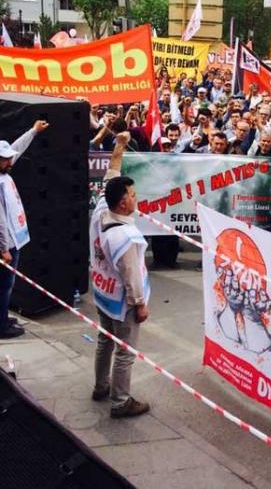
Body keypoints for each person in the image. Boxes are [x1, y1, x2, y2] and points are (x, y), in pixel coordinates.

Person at [90, 132, 151, 418]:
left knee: (104, 341)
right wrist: (139, 303)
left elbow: (112, 171)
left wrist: (120, 146)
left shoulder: (101, 207)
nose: (136, 199)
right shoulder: (126, 236)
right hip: (121, 301)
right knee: (125, 352)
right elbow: (131, 275)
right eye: (133, 195)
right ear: (123, 204)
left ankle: (101, 386)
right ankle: (120, 401)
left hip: (102, 293)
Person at [0, 119, 49, 338]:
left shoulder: (4, 173)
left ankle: (2, 317)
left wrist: (33, 131)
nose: (11, 159)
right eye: (6, 158)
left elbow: (17, 149)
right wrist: (3, 248)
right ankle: (1, 326)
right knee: (4, 286)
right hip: (6, 245)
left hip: (13, 240)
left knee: (6, 286)